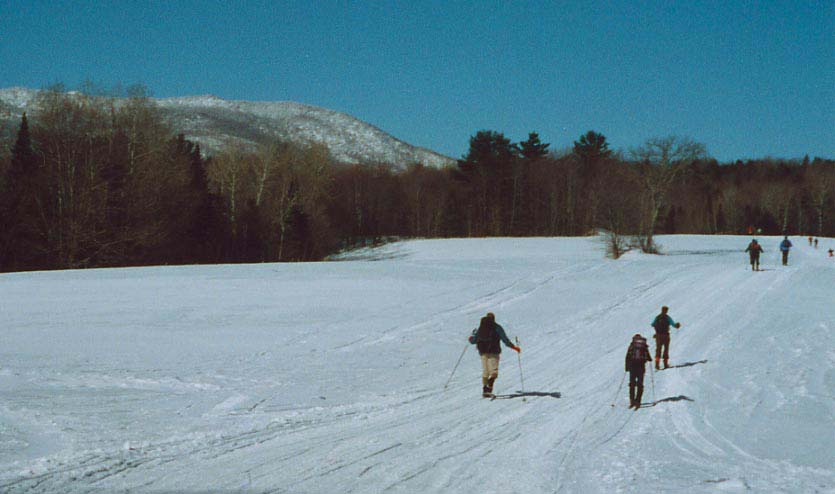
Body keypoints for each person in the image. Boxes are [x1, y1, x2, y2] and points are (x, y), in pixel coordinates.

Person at [468, 312, 520, 397]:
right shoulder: (497, 327)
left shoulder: (481, 327)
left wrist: (470, 338)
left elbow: (473, 340)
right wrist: (514, 347)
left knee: (485, 371)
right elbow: (505, 340)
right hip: (494, 352)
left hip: (483, 352)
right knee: (494, 372)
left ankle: (485, 389)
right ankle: (490, 387)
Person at [625, 334, 652, 409]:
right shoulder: (644, 347)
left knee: (632, 384)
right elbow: (649, 357)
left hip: (632, 366)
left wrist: (627, 368)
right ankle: (638, 401)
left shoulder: (632, 346)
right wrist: (649, 359)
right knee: (640, 384)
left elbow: (627, 357)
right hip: (641, 366)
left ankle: (632, 401)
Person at [650, 306, 681, 370]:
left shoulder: (657, 317)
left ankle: (657, 364)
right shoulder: (667, 318)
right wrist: (677, 325)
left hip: (658, 336)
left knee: (658, 349)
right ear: (666, 310)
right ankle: (665, 364)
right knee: (666, 349)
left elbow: (652, 324)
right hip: (666, 336)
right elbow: (674, 325)